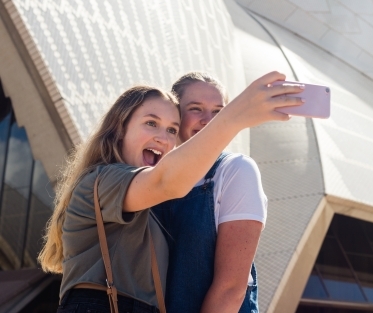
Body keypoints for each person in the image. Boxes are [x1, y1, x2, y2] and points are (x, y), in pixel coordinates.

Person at [38, 72, 305, 313]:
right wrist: (234, 118)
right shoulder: (103, 181)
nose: (163, 137)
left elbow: (231, 287)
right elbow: (167, 182)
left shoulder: (156, 194)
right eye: (151, 123)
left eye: (171, 129)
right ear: (119, 129)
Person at [152, 72, 267, 313]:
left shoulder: (235, 170)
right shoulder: (150, 178)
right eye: (196, 109)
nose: (209, 120)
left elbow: (230, 289)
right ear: (175, 115)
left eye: (218, 112)